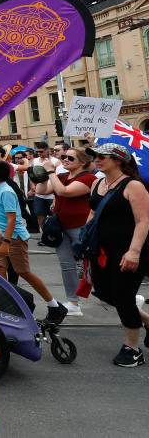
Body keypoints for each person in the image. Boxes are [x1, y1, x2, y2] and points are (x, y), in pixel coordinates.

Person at [86, 144, 149, 367]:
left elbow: (143, 222)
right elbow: (93, 212)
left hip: (128, 250)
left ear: (119, 160)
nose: (97, 159)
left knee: (122, 297)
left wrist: (134, 252)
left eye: (102, 156)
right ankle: (146, 320)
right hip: (101, 250)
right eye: (95, 156)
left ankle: (133, 349)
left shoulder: (134, 185)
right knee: (103, 292)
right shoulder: (97, 182)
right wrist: (86, 241)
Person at [0, 160, 68, 324]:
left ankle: (54, 305)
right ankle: (5, 308)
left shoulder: (6, 191)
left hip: (13, 237)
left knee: (23, 271)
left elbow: (12, 219)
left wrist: (6, 242)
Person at [36, 147, 97, 316]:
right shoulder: (61, 176)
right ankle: (73, 302)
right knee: (67, 265)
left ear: (83, 162)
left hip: (80, 227)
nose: (65, 160)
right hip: (60, 227)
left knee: (96, 263)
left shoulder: (88, 178)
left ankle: (122, 295)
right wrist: (42, 175)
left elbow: (64, 192)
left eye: (69, 157)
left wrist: (50, 171)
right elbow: (41, 191)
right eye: (63, 157)